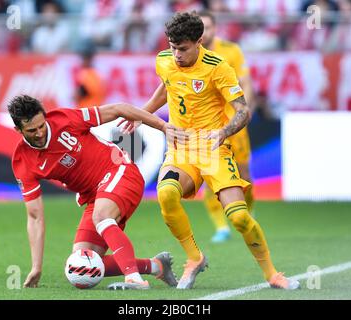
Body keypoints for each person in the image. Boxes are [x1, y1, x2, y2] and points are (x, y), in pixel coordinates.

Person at [119, 12, 299, 290]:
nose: (176, 54)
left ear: (199, 41)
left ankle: (273, 274)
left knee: (239, 217)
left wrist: (225, 131)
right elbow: (167, 88)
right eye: (172, 46)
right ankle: (195, 258)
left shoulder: (219, 67)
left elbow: (243, 110)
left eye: (182, 48)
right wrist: (140, 114)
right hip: (181, 150)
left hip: (214, 149)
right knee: (166, 193)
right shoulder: (164, 60)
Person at [9, 95, 182, 290]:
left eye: (42, 125)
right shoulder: (22, 161)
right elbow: (34, 217)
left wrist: (163, 126)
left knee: (101, 216)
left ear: (45, 117)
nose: (40, 133)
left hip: (120, 170)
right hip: (95, 196)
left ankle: (134, 279)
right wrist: (36, 267)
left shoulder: (64, 119)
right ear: (18, 130)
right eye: (32, 130)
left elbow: (118, 108)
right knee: (79, 266)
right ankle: (155, 266)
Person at [199, 10, 256, 243]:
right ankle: (221, 226)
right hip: (209, 125)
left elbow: (245, 83)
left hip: (235, 123)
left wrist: (245, 111)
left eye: (208, 28)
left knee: (244, 174)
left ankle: (248, 214)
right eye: (200, 28)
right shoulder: (192, 54)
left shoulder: (231, 51)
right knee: (212, 175)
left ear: (215, 28)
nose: (204, 33)